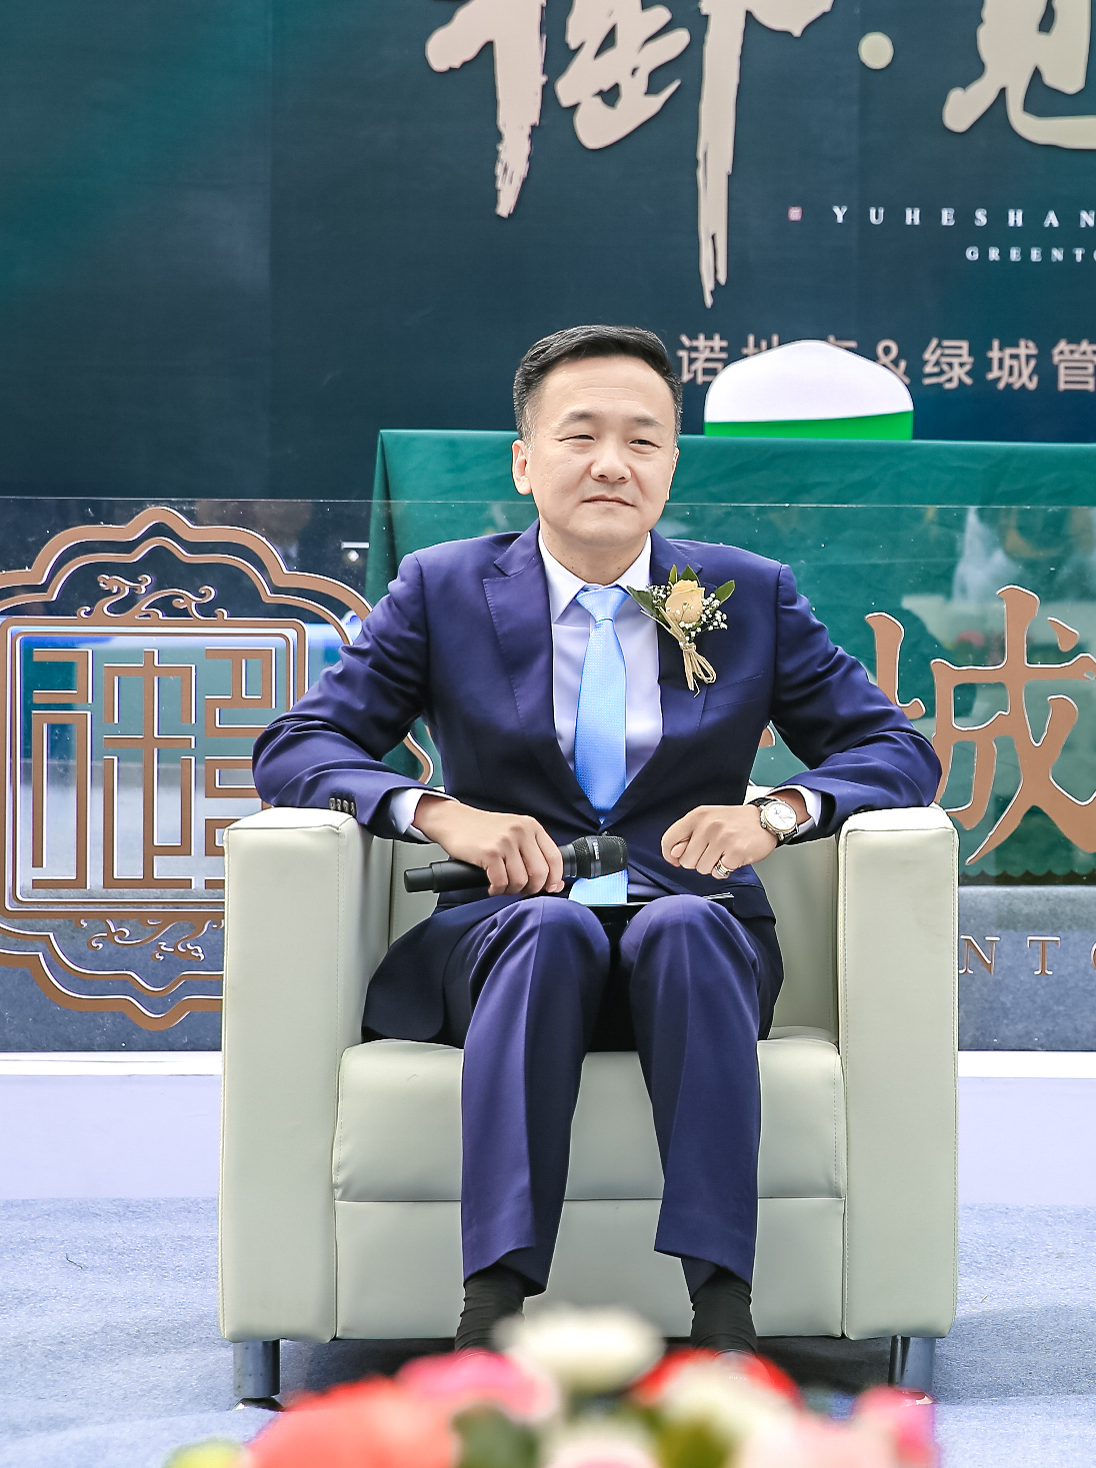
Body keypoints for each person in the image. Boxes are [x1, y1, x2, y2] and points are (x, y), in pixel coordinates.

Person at [253, 326, 939, 1353]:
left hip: (695, 943)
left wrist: (775, 815)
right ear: (525, 461)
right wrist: (438, 813)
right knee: (550, 930)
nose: (612, 463)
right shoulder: (443, 589)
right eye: (580, 436)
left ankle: (724, 1315)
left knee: (686, 928)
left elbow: (895, 748)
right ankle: (490, 1312)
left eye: (642, 440)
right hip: (505, 939)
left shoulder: (744, 594)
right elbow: (299, 743)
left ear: (671, 463)